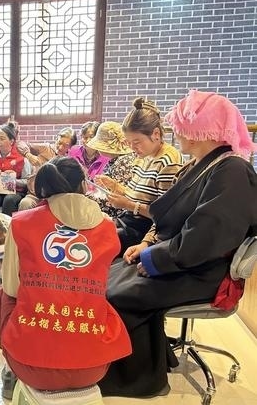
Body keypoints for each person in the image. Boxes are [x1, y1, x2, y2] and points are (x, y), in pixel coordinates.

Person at [98, 90, 257, 398]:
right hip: (183, 257)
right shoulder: (204, 164)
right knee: (110, 275)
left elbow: (205, 238)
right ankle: (155, 361)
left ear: (200, 130)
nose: (176, 133)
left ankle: (140, 380)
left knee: (117, 292)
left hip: (203, 270)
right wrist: (147, 244)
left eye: (181, 128)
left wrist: (155, 258)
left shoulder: (232, 171)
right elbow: (169, 217)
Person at [0, 156, 131, 400]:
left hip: (31, 366)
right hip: (94, 366)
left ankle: (9, 372)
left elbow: (12, 289)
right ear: (84, 185)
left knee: (3, 293)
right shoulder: (108, 227)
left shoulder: (21, 223)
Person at [95, 98, 183, 255]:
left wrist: (128, 205)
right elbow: (137, 194)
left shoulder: (168, 162)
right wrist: (115, 186)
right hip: (127, 220)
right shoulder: (144, 156)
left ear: (156, 134)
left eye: (136, 142)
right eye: (129, 142)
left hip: (143, 230)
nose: (132, 147)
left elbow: (166, 216)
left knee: (93, 241)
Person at [16, 126, 77, 210]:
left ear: (70, 147)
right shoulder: (45, 148)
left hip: (55, 199)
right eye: (59, 142)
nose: (60, 147)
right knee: (25, 203)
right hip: (35, 195)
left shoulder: (68, 161)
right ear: (56, 138)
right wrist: (28, 155)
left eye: (65, 145)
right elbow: (20, 144)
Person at [84, 121, 135, 218]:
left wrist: (85, 198)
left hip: (122, 215)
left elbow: (113, 199)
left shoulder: (123, 161)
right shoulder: (116, 160)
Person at [0, 120, 32, 215]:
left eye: (2, 139)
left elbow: (28, 181)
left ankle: (7, 224)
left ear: (11, 141)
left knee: (9, 200)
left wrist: (12, 180)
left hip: (15, 192)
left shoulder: (21, 157)